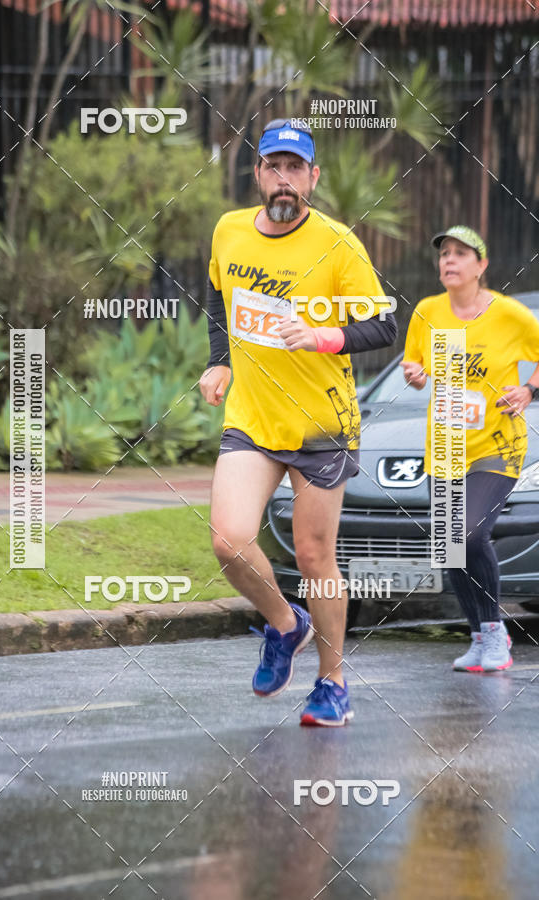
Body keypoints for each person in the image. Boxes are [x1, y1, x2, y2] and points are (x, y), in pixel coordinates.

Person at [199, 119, 397, 726]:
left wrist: (322, 335)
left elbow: (384, 324)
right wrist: (219, 362)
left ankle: (333, 683)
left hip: (321, 425)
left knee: (314, 556)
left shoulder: (339, 245)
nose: (284, 179)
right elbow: (218, 295)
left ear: (313, 177)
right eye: (273, 166)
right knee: (228, 540)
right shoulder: (230, 231)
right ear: (257, 174)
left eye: (295, 168)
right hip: (254, 420)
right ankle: (287, 625)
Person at [401, 225, 539, 672]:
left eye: (461, 253)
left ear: (481, 265)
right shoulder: (427, 312)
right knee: (449, 546)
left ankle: (497, 634)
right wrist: (414, 374)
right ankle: (479, 638)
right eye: (444, 253)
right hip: (445, 445)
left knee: (470, 533)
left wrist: (528, 390)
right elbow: (414, 363)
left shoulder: (509, 314)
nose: (449, 260)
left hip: (497, 446)